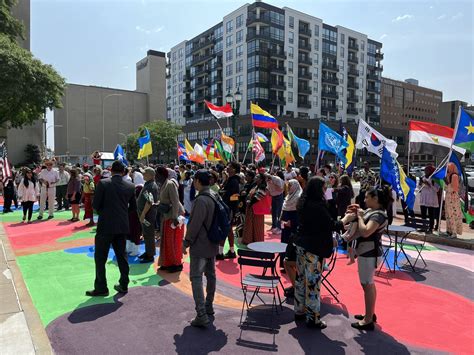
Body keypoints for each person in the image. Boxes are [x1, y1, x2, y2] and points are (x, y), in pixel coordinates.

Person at [294, 176, 350, 329]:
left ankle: (299, 311)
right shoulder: (317, 205)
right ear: (318, 189)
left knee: (301, 279)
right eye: (324, 188)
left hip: (301, 245)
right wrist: (346, 219)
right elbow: (331, 224)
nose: (326, 190)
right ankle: (312, 319)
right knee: (313, 283)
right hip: (314, 247)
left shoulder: (303, 202)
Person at [86, 161, 137, 297]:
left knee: (100, 258)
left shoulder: (103, 183)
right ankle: (124, 284)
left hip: (105, 225)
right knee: (122, 255)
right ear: (123, 171)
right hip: (121, 225)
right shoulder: (130, 186)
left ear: (111, 170)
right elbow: (133, 208)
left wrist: (106, 211)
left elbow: (96, 205)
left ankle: (101, 287)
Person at [349, 186, 391, 331]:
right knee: (368, 284)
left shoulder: (378, 215)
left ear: (376, 199)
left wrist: (360, 217)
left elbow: (366, 231)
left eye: (367, 197)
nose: (365, 199)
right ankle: (369, 313)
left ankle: (368, 320)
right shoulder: (372, 212)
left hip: (369, 253)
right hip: (366, 252)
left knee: (367, 284)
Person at [183, 169, 218, 328]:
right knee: (211, 275)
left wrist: (186, 242)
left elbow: (194, 224)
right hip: (213, 242)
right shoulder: (214, 195)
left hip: (200, 244)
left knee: (196, 277)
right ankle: (209, 306)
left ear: (197, 181)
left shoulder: (200, 200)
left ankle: (201, 313)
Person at [156, 166, 185, 273]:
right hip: (166, 216)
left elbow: (175, 201)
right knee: (166, 241)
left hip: (173, 217)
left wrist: (174, 218)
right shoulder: (163, 185)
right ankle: (167, 262)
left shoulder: (170, 184)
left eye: (157, 174)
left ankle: (176, 264)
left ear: (161, 175)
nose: (155, 176)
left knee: (174, 242)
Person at [217, 162, 241, 259]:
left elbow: (235, 197)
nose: (227, 168)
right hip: (228, 208)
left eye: (230, 167)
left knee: (224, 229)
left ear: (234, 169)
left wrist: (231, 209)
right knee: (229, 230)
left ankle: (220, 252)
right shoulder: (230, 180)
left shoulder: (234, 181)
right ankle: (231, 251)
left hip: (228, 209)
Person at [137, 167, 159, 263]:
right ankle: (148, 251)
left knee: (149, 234)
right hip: (146, 215)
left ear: (150, 175)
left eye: (145, 174)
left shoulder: (150, 186)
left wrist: (143, 214)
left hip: (147, 216)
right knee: (146, 234)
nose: (143, 175)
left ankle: (150, 255)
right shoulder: (148, 184)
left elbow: (149, 201)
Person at [241, 173, 270, 245]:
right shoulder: (256, 186)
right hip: (251, 208)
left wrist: (250, 202)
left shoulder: (262, 187)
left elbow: (258, 197)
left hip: (257, 209)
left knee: (257, 226)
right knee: (250, 224)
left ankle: (257, 241)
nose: (255, 177)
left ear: (261, 179)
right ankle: (249, 240)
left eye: (257, 177)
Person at [280, 179, 302, 269]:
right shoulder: (288, 197)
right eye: (288, 185)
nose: (288, 187)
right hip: (285, 226)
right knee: (284, 244)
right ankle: (283, 265)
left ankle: (292, 265)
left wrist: (292, 223)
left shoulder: (299, 198)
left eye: (290, 185)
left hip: (294, 226)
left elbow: (300, 214)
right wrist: (282, 222)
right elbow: (283, 211)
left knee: (293, 245)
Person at [445, 162, 463, 238]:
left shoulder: (454, 176)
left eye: (449, 168)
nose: (447, 169)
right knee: (448, 214)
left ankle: (454, 232)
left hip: (452, 198)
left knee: (453, 215)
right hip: (449, 197)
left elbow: (455, 188)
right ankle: (450, 231)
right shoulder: (449, 175)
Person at [266, 171, 285, 235]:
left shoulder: (277, 179)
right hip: (273, 197)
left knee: (279, 213)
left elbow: (280, 189)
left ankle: (279, 228)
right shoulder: (267, 181)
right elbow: (268, 189)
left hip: (279, 196)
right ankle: (274, 226)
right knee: (273, 212)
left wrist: (272, 183)